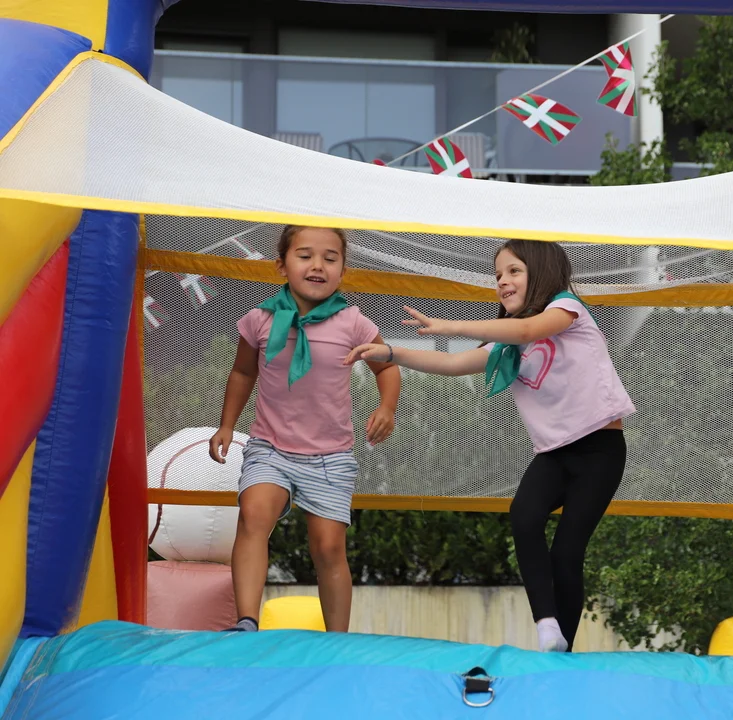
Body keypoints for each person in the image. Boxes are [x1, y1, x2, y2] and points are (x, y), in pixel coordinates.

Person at [346, 239, 633, 652]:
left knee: (567, 550)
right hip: (554, 453)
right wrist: (391, 351)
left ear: (542, 273)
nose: (502, 281)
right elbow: (451, 363)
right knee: (524, 516)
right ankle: (547, 626)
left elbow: (529, 329)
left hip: (599, 449)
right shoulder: (505, 344)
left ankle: (566, 647)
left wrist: (454, 326)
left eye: (513, 271)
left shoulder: (567, 309)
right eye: (497, 275)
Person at [209, 225, 401, 633]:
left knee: (328, 546)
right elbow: (242, 373)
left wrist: (387, 406)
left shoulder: (352, 322)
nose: (318, 266)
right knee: (253, 514)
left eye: (330, 259)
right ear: (282, 265)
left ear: (342, 271)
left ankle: (337, 640)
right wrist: (227, 425)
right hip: (270, 448)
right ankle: (246, 622)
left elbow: (386, 366)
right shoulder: (260, 319)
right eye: (305, 256)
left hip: (330, 456)